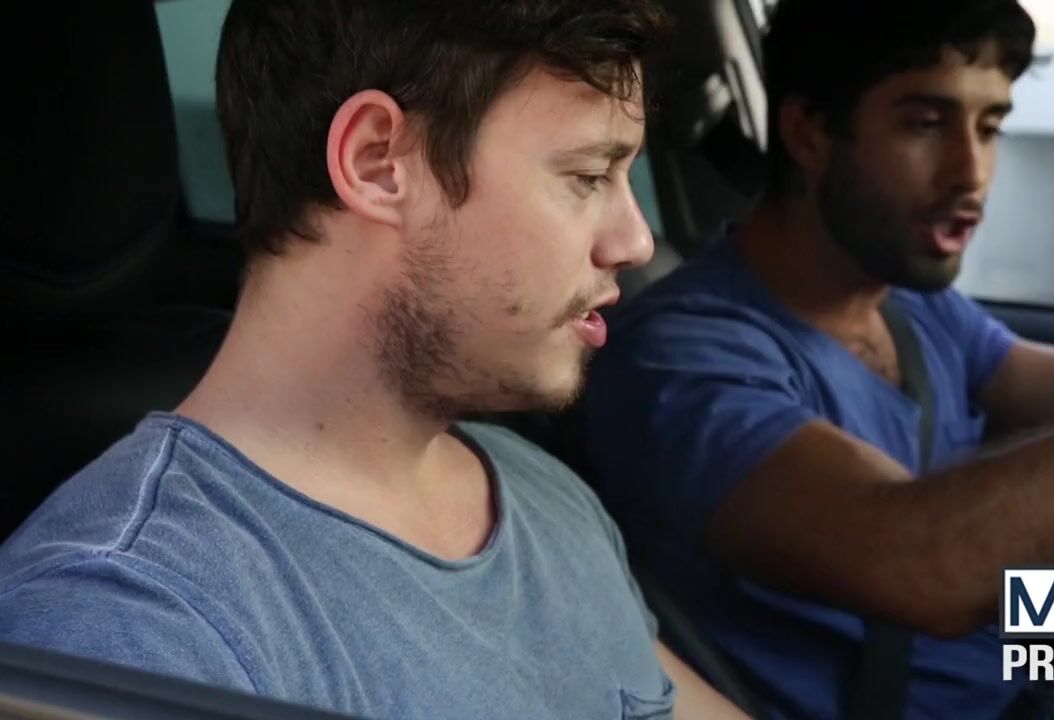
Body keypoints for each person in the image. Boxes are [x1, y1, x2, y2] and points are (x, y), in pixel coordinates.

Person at [0, 2, 748, 719]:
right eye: (587, 177)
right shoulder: (132, 626)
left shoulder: (542, 494)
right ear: (378, 162)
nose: (634, 242)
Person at [581, 0, 1054, 718]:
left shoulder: (910, 306)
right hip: (966, 693)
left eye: (989, 127)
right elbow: (924, 562)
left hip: (1036, 657)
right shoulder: (681, 361)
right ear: (809, 132)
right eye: (925, 124)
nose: (970, 173)